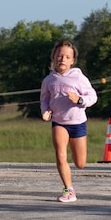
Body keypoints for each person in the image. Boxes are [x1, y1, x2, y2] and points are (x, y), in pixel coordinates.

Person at [40, 39, 98, 203]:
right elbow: (44, 99)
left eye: (67, 57)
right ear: (53, 57)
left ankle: (74, 158)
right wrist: (45, 111)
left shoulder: (78, 77)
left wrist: (79, 100)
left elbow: (93, 97)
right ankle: (69, 190)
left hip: (78, 123)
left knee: (80, 163)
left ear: (72, 60)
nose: (62, 59)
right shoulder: (49, 80)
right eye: (59, 56)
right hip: (59, 122)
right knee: (60, 155)